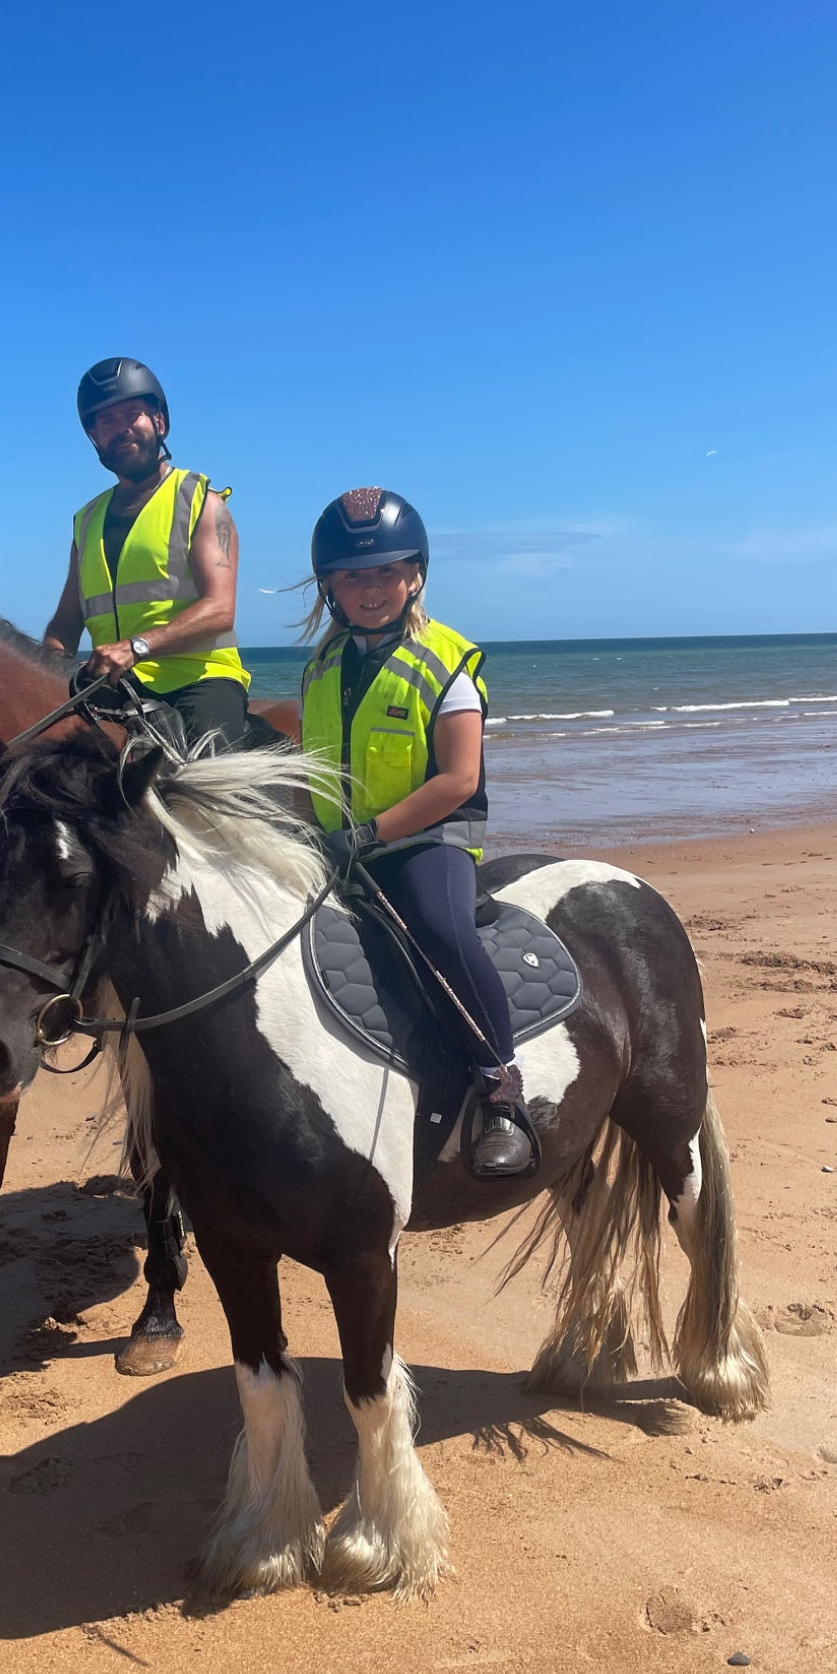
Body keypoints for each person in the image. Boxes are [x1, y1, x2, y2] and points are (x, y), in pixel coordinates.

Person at [300, 487, 536, 1178]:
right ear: (329, 587)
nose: (370, 588)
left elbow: (458, 779)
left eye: (385, 572)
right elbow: (311, 733)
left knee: (440, 928)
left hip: (422, 842)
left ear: (415, 575)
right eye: (353, 575)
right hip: (338, 844)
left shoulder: (447, 663)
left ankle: (501, 1090)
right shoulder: (323, 666)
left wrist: (369, 835)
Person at [44, 357, 251, 751]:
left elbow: (220, 608)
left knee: (206, 789)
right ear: (94, 437)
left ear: (159, 422)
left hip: (200, 680)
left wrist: (136, 647)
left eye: (132, 414)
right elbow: (66, 621)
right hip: (111, 684)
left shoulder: (201, 503)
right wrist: (48, 664)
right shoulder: (85, 522)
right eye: (106, 421)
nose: (121, 429)